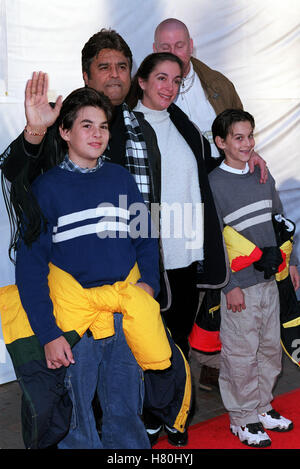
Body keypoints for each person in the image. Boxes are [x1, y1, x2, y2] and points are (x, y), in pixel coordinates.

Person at [0, 28, 192, 448]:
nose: (97, 133)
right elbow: (29, 262)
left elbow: (145, 230)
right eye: (86, 125)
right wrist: (49, 332)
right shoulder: (47, 180)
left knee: (126, 406)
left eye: (102, 125)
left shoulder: (130, 158)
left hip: (125, 309)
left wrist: (148, 284)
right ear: (65, 132)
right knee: (74, 413)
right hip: (73, 320)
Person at [153, 17, 268, 390]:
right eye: (165, 48)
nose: (174, 54)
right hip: (174, 197)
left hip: (219, 188)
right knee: (182, 275)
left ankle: (212, 356)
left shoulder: (217, 83)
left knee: (223, 268)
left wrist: (253, 154)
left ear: (192, 46)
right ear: (155, 51)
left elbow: (240, 128)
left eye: (180, 45)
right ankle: (172, 358)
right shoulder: (149, 87)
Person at [126, 51, 229, 445]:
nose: (168, 87)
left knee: (179, 338)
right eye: (161, 78)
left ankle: (176, 413)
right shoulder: (126, 126)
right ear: (143, 81)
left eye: (175, 80)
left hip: (185, 250)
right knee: (151, 341)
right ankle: (151, 415)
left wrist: (249, 160)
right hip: (150, 252)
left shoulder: (183, 123)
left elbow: (207, 172)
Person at [209, 108, 299, 447]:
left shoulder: (262, 175)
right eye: (238, 137)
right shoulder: (214, 184)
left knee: (267, 349)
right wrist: (229, 285)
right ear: (221, 142)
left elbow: (280, 220)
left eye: (250, 136)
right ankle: (242, 417)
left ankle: (262, 407)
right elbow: (215, 240)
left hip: (271, 280)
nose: (247, 143)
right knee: (240, 353)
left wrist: (293, 262)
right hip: (240, 287)